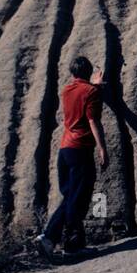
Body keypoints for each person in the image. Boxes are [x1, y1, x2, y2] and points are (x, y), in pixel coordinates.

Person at [33, 56, 108, 256]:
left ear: (72, 73)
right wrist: (102, 148)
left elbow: (80, 95)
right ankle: (63, 242)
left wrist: (94, 87)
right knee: (79, 198)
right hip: (80, 149)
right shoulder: (91, 92)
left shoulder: (66, 90)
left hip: (64, 149)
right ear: (89, 72)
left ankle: (54, 239)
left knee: (71, 196)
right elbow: (93, 121)